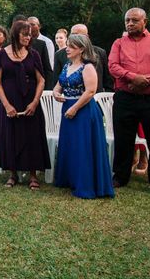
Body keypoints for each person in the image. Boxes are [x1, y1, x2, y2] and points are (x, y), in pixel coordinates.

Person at [53, 34, 114, 198]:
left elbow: (90, 91)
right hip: (67, 108)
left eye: (71, 46)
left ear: (81, 49)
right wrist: (55, 93)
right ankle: (70, 179)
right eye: (67, 45)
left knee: (83, 146)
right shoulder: (67, 65)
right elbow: (58, 85)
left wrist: (74, 108)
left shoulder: (88, 67)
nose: (67, 48)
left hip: (84, 110)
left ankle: (85, 184)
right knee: (71, 145)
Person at [0, 20, 50, 190]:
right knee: (10, 135)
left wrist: (35, 102)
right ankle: (12, 174)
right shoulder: (2, 54)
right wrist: (6, 105)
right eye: (24, 34)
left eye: (30, 34)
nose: (28, 37)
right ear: (16, 34)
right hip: (10, 101)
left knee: (32, 135)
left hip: (30, 100)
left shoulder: (34, 55)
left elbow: (41, 80)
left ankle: (33, 175)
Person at [109, 8, 150, 188]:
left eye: (134, 20)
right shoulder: (119, 43)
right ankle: (120, 177)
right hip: (125, 98)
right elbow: (112, 66)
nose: (130, 24)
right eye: (127, 20)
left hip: (149, 98)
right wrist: (133, 78)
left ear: (145, 22)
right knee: (123, 139)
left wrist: (144, 81)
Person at [54, 24, 113, 94]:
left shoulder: (100, 53)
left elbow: (107, 80)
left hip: (95, 98)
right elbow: (57, 81)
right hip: (67, 99)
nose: (75, 38)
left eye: (79, 35)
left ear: (87, 37)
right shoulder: (60, 55)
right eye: (72, 35)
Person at [24, 17, 54, 89]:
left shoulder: (47, 42)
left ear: (39, 26)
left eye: (33, 24)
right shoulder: (23, 42)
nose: (30, 27)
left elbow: (49, 65)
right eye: (28, 25)